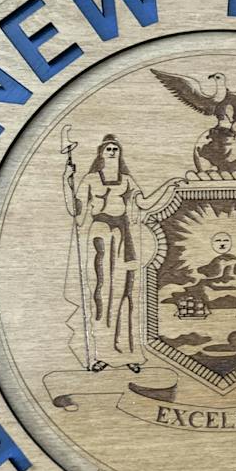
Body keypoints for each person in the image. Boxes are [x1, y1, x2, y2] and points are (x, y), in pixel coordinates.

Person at [63, 135, 146, 370]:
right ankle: (101, 355)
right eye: (108, 148)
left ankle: (128, 354)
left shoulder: (127, 181)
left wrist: (170, 188)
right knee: (101, 293)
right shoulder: (90, 179)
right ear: (101, 153)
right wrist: (67, 181)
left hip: (122, 236)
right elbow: (76, 212)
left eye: (115, 149)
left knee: (125, 292)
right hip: (99, 234)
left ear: (120, 153)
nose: (111, 152)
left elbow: (144, 203)